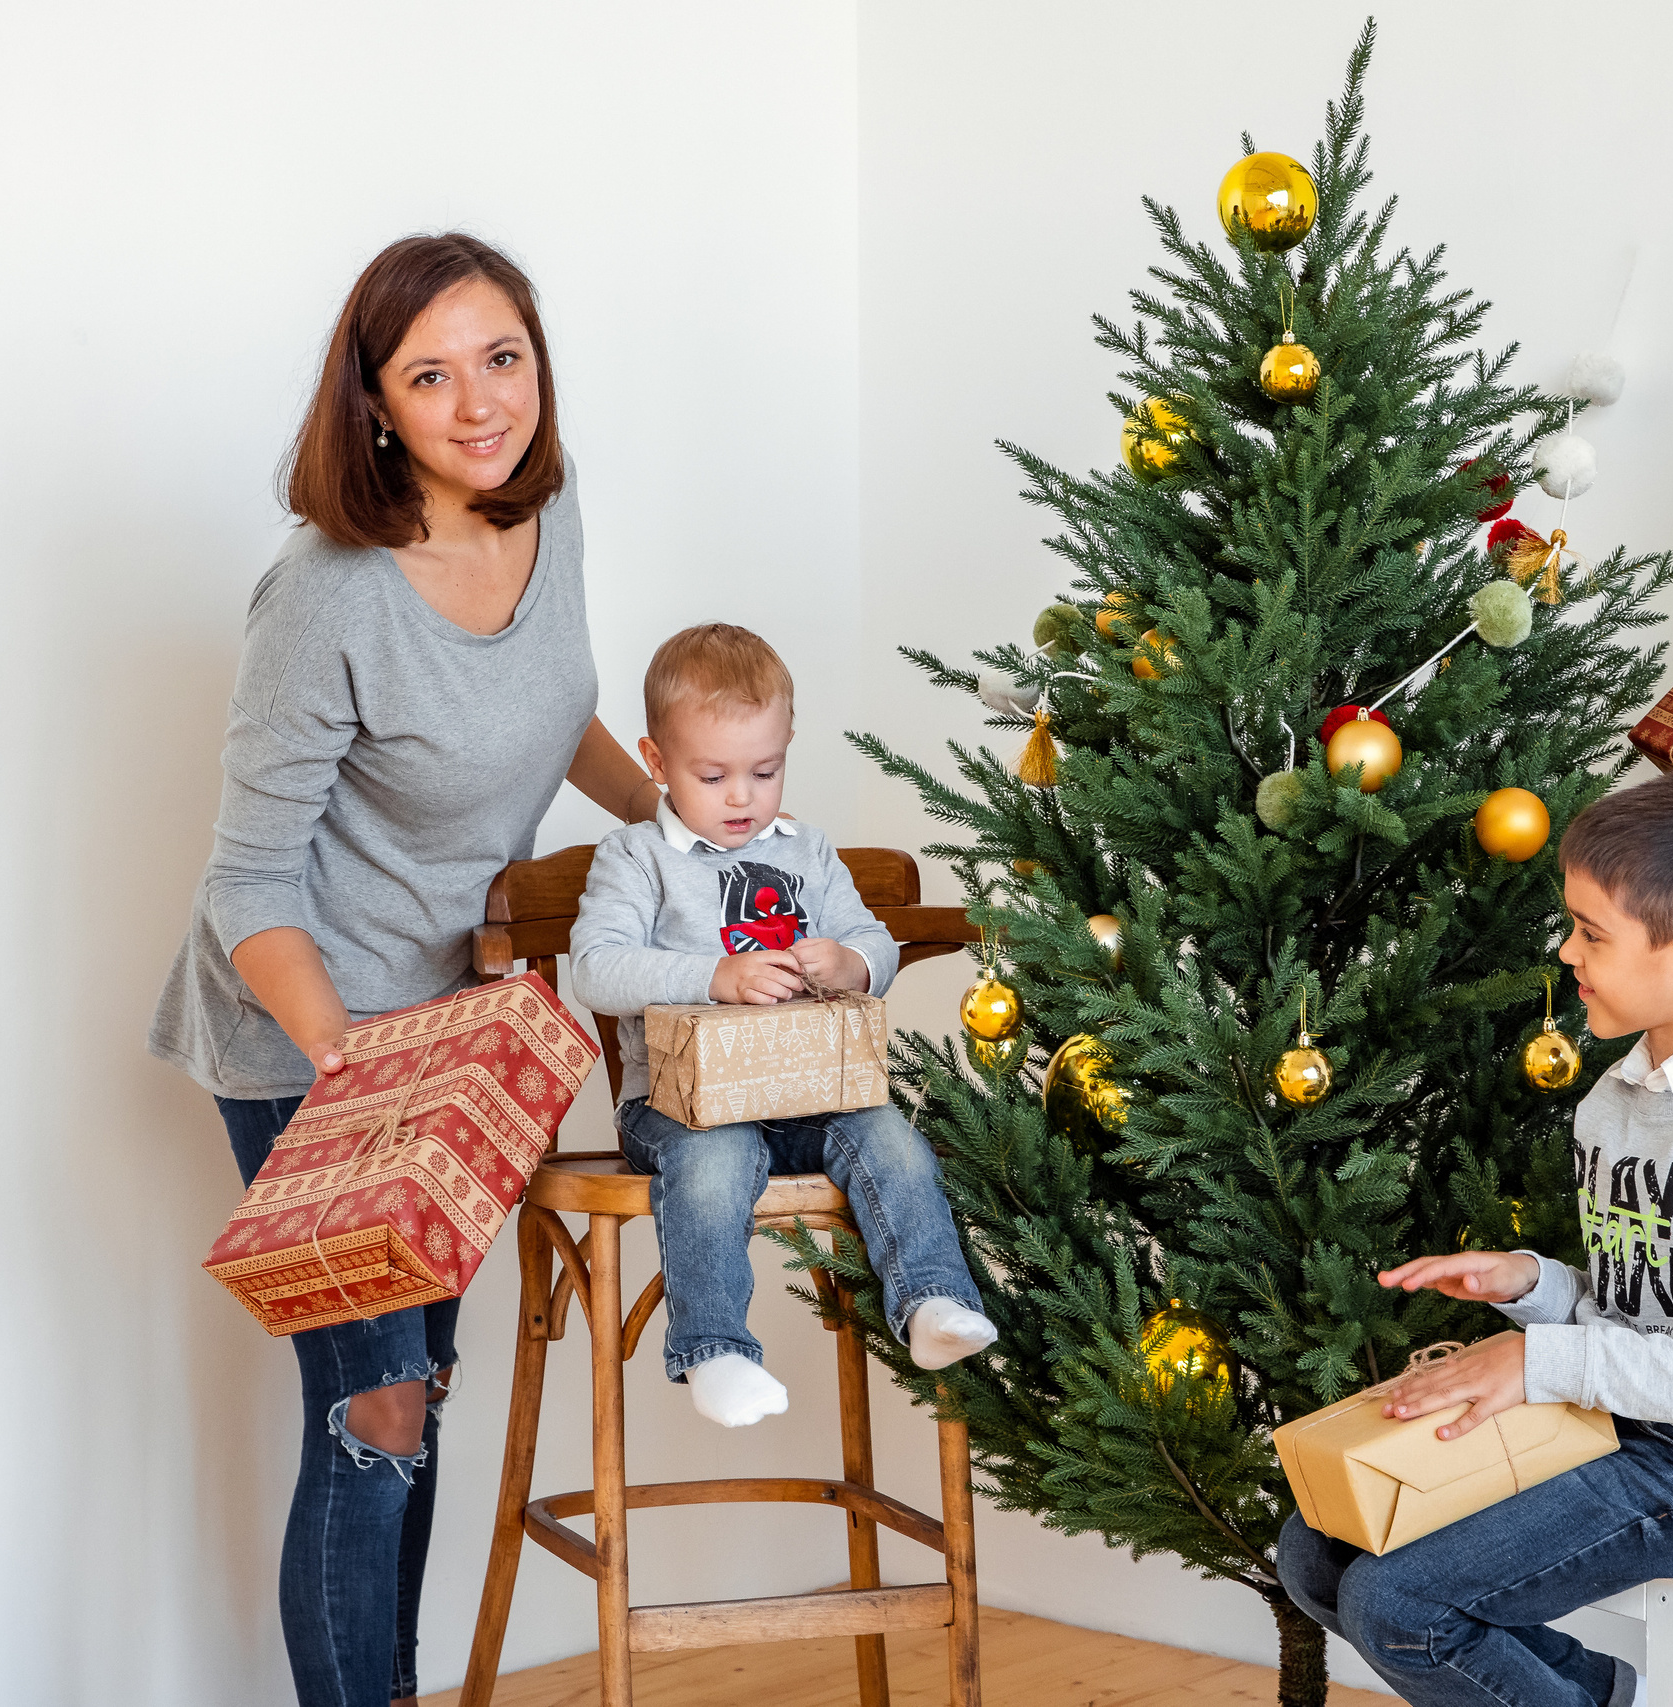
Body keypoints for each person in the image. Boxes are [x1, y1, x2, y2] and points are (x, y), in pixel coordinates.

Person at [149, 233, 658, 1706]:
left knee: (416, 1391)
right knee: (369, 1402)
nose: (479, 400)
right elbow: (246, 881)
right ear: (374, 405)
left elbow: (552, 708)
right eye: (429, 374)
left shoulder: (548, 514)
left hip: (460, 1044)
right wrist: (358, 1070)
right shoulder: (328, 594)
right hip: (304, 1034)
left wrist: (681, 818)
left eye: (502, 356)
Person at [1277, 772, 1673, 1707]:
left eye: (1592, 932)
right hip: (1615, 1421)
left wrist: (1536, 1361)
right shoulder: (1615, 1102)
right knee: (1318, 1546)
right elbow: (1634, 1311)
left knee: (1399, 1604)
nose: (1567, 952)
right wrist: (1532, 1285)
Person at [567, 623, 996, 1427]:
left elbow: (874, 942)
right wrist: (712, 974)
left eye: (764, 771)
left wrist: (854, 964)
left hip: (806, 1094)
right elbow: (597, 966)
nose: (742, 796)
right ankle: (715, 1347)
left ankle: (932, 1300)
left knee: (889, 1134)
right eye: (713, 774)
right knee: (717, 1157)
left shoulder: (806, 852)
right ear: (655, 762)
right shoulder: (636, 857)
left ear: (787, 749)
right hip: (679, 1108)